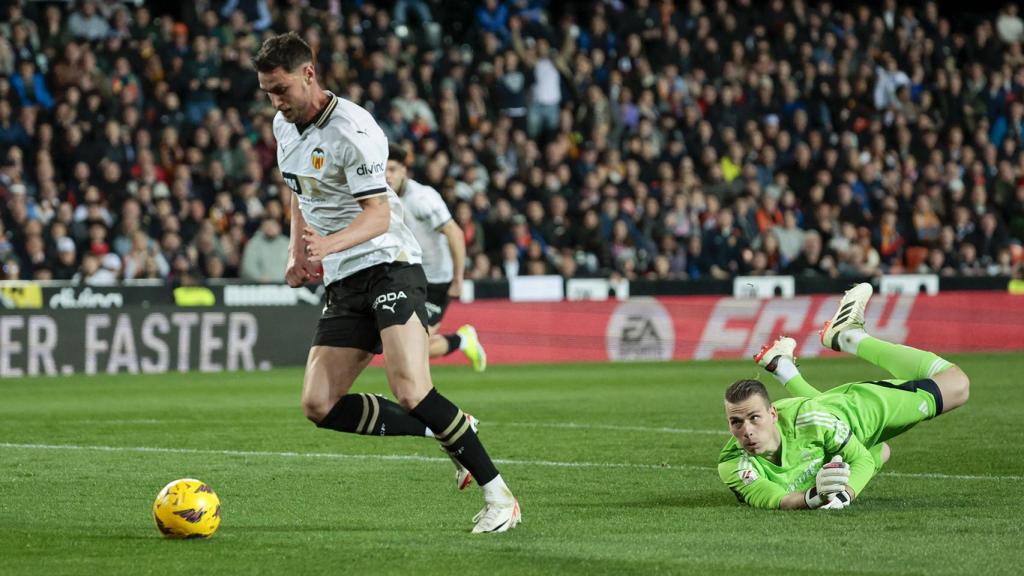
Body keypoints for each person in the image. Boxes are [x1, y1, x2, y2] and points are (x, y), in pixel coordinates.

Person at [254, 32, 520, 533]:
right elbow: (298, 190)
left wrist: (329, 245)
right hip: (343, 280)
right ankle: (449, 429)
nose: (275, 101)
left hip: (388, 264)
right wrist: (298, 250)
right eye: (268, 91)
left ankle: (499, 497)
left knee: (411, 388)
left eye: (281, 89)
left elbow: (377, 216)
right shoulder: (283, 125)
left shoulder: (354, 130)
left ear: (309, 74)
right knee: (317, 404)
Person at [718, 283, 970, 510]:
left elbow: (859, 459)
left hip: (862, 411)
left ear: (772, 414)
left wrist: (845, 494)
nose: (747, 430)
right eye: (736, 423)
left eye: (754, 418)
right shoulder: (732, 462)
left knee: (957, 385)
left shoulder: (808, 418)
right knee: (881, 451)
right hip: (829, 419)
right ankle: (782, 367)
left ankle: (849, 337)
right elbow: (771, 498)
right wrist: (812, 497)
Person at [386, 144, 488, 371]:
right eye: (383, 170)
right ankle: (462, 341)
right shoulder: (383, 196)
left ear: (404, 170)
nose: (387, 175)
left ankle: (462, 340)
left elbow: (455, 233)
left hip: (436, 281)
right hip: (408, 276)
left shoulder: (422, 198)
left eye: (392, 169)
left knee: (413, 351)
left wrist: (458, 279)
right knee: (402, 349)